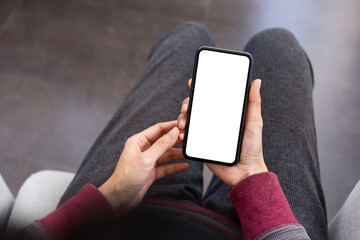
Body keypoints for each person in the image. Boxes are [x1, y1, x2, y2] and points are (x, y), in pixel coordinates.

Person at [16, 22, 328, 239]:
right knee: (278, 43)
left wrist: (112, 195)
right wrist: (251, 178)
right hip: (249, 231)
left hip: (117, 220)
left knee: (189, 35)